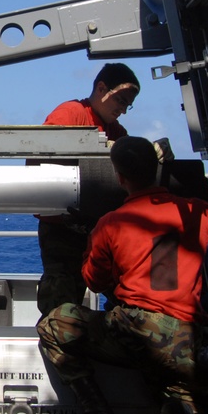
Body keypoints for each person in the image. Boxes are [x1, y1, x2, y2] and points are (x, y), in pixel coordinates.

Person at [36, 136, 208, 414]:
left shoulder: (111, 223)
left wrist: (91, 245)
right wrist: (206, 199)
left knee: (54, 324)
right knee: (197, 411)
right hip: (185, 340)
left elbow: (94, 280)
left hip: (132, 332)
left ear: (120, 177)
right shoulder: (196, 211)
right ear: (157, 169)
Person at [34, 62, 140, 317]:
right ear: (102, 88)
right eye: (120, 100)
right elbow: (41, 158)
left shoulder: (117, 131)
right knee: (60, 301)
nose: (123, 110)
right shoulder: (69, 115)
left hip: (97, 228)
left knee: (125, 292)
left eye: (128, 105)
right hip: (63, 229)